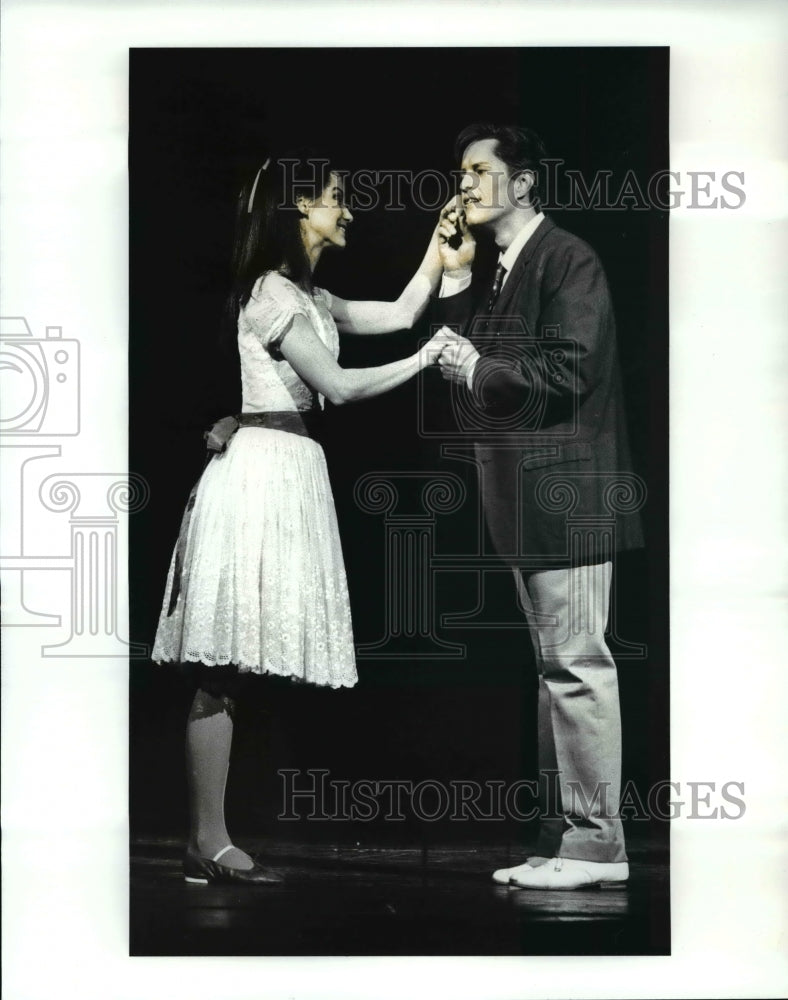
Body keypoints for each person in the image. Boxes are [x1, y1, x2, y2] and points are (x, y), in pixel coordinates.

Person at [151, 152, 447, 885]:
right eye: (336, 199)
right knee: (224, 661)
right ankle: (206, 841)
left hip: (289, 472)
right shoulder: (272, 294)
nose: (347, 211)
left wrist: (440, 246)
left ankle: (206, 840)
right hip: (259, 475)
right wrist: (426, 360)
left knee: (240, 667)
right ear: (297, 209)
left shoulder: (312, 296)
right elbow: (340, 388)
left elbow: (404, 311)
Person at [432, 124, 644, 890]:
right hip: (532, 504)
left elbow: (569, 370)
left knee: (579, 667)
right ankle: (569, 842)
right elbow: (468, 374)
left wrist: (480, 363)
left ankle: (598, 847)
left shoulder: (567, 259)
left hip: (570, 499)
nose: (464, 186)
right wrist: (455, 284)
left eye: (479, 172)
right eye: (460, 174)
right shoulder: (503, 270)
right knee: (558, 670)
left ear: (523, 184)